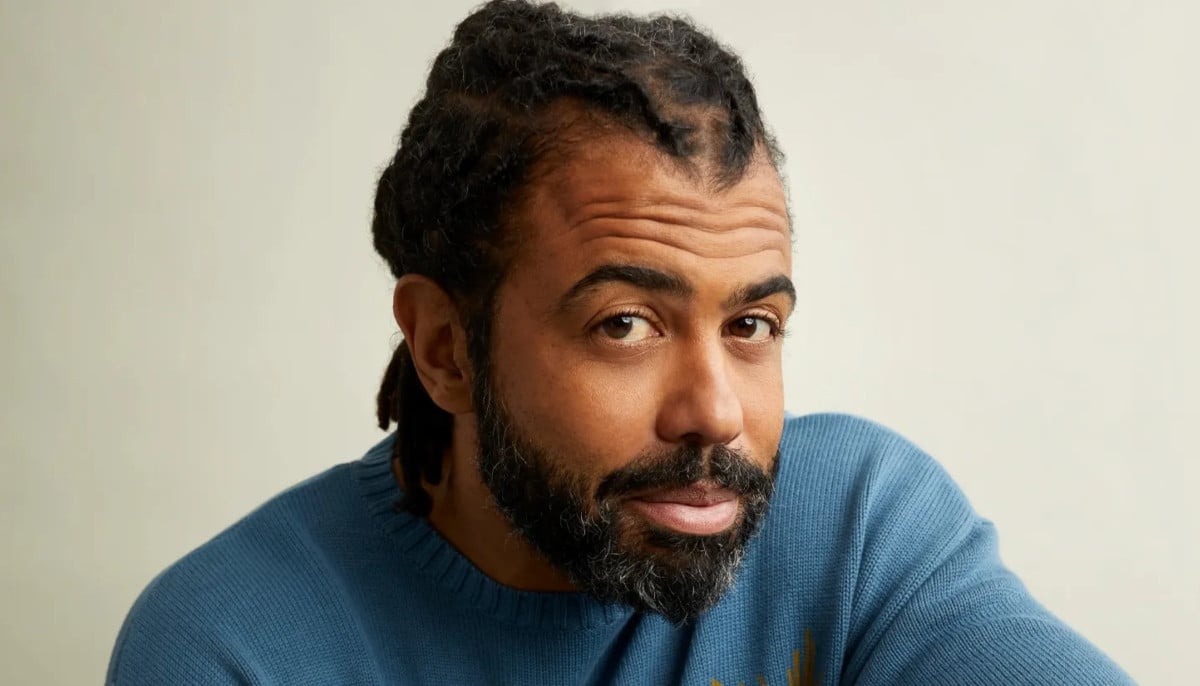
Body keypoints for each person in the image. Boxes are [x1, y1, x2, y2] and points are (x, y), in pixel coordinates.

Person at [107, 1, 1133, 684]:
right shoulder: (235, 642)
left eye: (751, 325)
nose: (715, 412)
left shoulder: (857, 529)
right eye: (626, 325)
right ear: (446, 349)